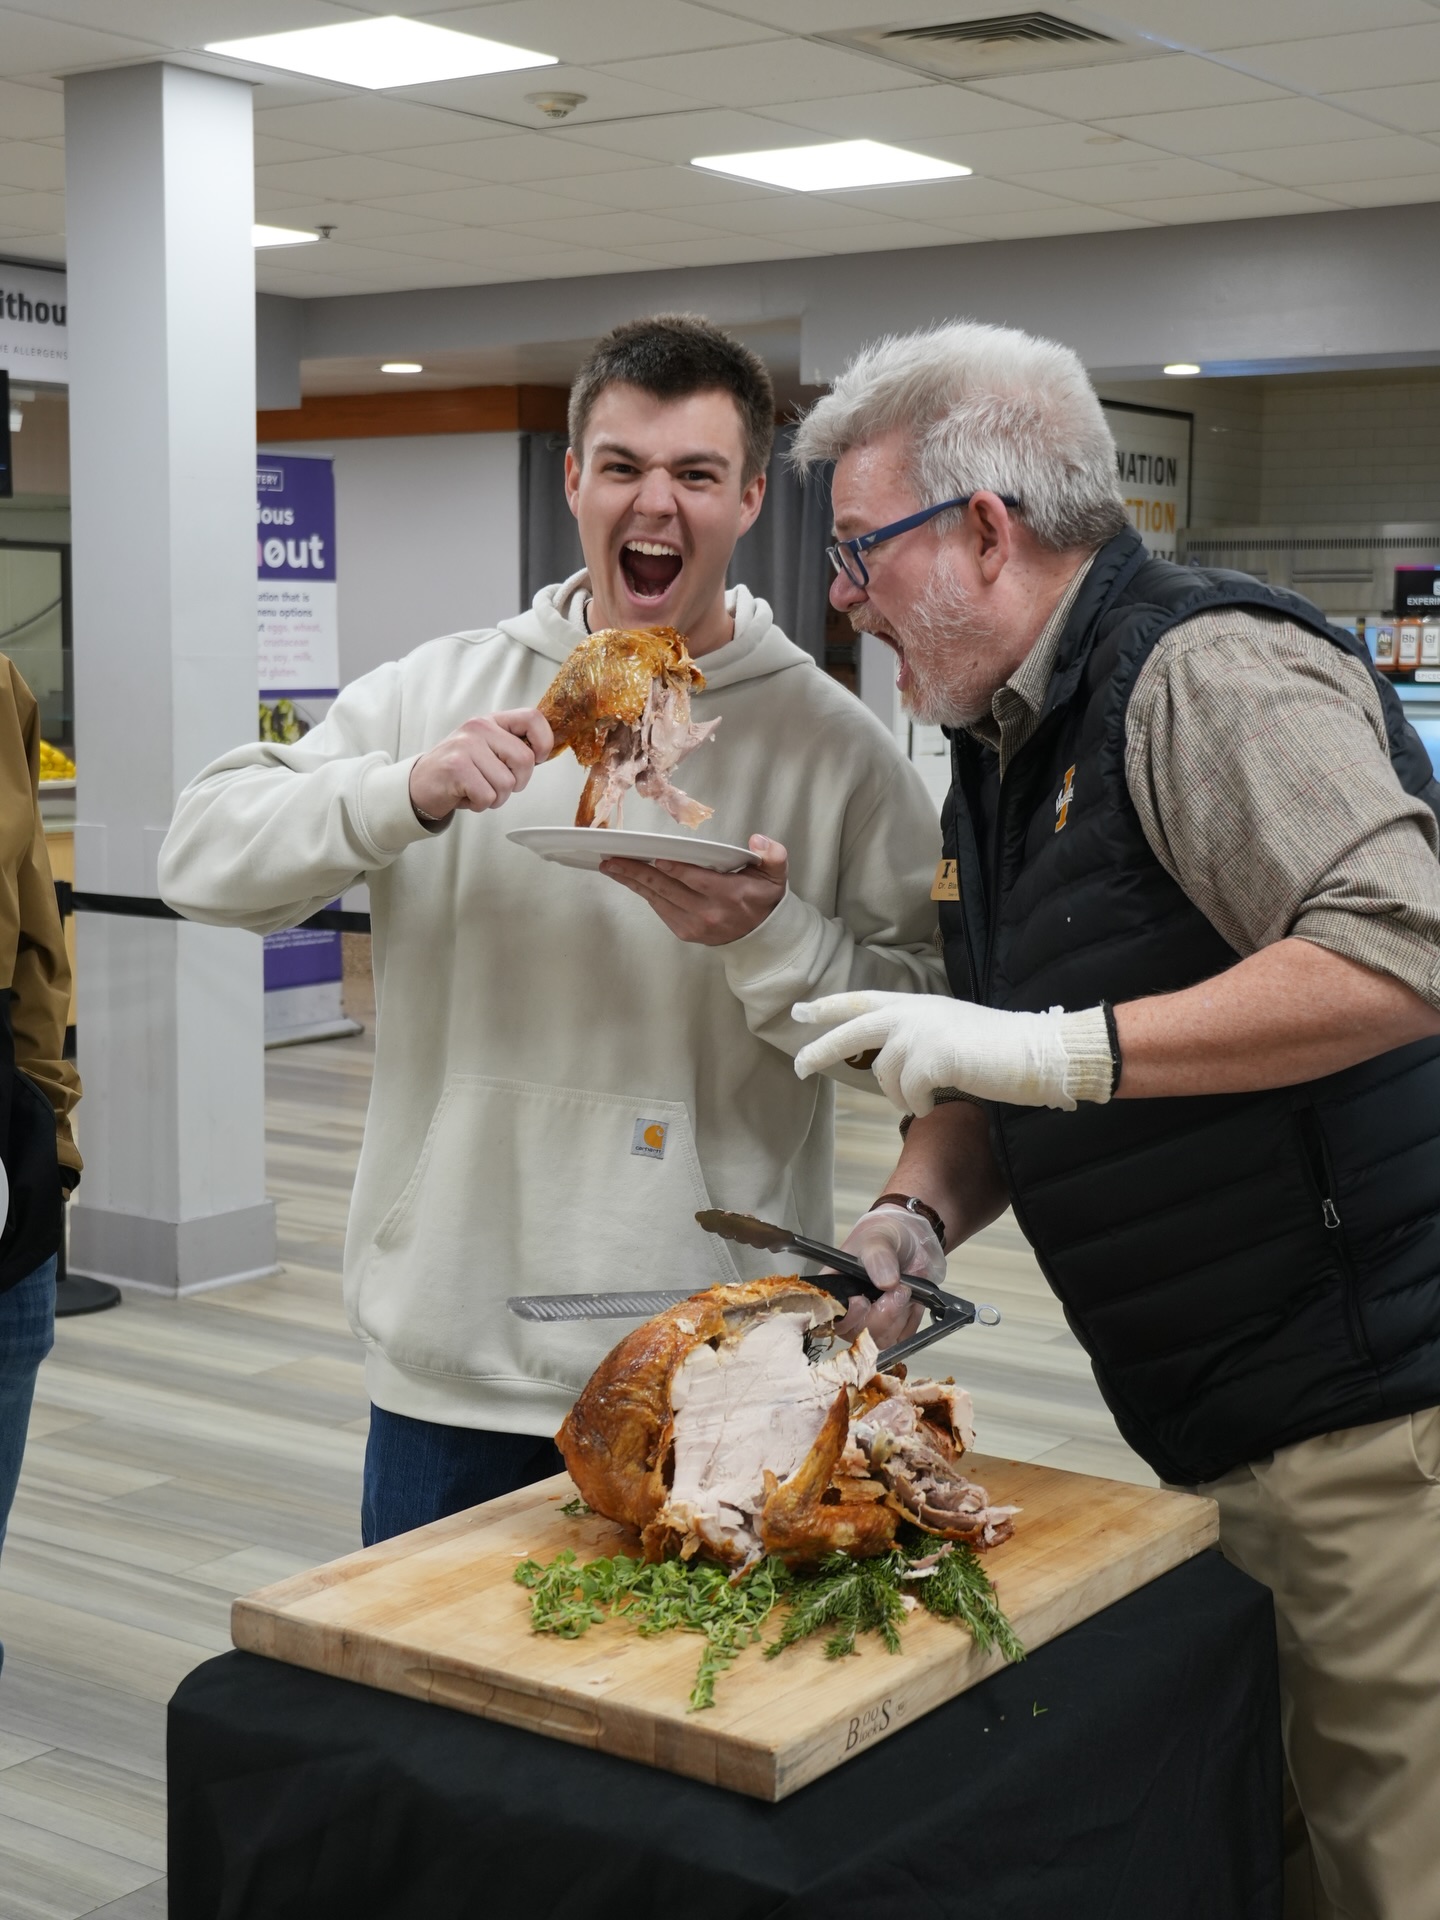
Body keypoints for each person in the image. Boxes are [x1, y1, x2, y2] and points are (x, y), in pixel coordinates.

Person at [785, 320, 1440, 1920]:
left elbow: (1401, 947)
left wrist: (1059, 1053)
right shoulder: (1003, 744)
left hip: (1374, 1421)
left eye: (861, 551)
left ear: (984, 530)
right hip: (1220, 1416)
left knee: (1394, 1870)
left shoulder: (1202, 673)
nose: (844, 598)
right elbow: (1005, 1066)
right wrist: (910, 1221)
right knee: (1274, 1849)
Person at [159, 314, 945, 1548]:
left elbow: (926, 1039)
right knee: (423, 1676)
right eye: (623, 466)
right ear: (573, 480)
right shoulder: (442, 690)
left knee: (680, 1677)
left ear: (749, 499)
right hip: (450, 1358)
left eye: (696, 474)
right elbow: (201, 860)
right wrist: (405, 791)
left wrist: (773, 936)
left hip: (711, 1365)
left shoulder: (838, 748)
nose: (656, 502)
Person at [0, 657, 82, 1672]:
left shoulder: (1, 686)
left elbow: (33, 934)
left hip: (5, 1129)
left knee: (15, 1341)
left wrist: (47, 1128)